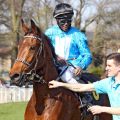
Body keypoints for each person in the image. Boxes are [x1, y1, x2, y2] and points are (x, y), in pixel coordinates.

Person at [49, 53, 120, 120]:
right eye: (106, 66)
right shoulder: (108, 82)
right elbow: (82, 87)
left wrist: (101, 109)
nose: (106, 68)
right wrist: (61, 84)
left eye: (109, 66)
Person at [45, 3, 92, 84]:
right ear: (57, 20)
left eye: (69, 21)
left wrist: (81, 66)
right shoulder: (49, 33)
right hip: (53, 66)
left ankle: (84, 94)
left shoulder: (78, 35)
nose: (66, 24)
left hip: (72, 68)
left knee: (66, 76)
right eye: (63, 21)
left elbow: (87, 55)